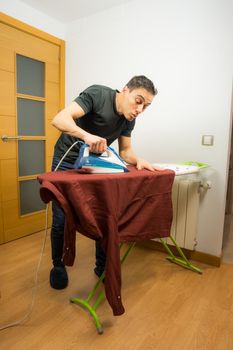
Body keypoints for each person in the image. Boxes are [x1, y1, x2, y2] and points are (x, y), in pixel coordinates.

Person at [50, 75, 159, 289]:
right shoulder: (98, 94)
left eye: (146, 106)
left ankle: (101, 266)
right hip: (67, 157)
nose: (140, 110)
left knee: (102, 215)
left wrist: (139, 160)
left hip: (94, 163)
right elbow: (59, 119)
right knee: (61, 216)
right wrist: (86, 136)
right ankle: (58, 265)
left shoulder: (129, 119)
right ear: (125, 90)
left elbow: (126, 152)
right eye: (138, 101)